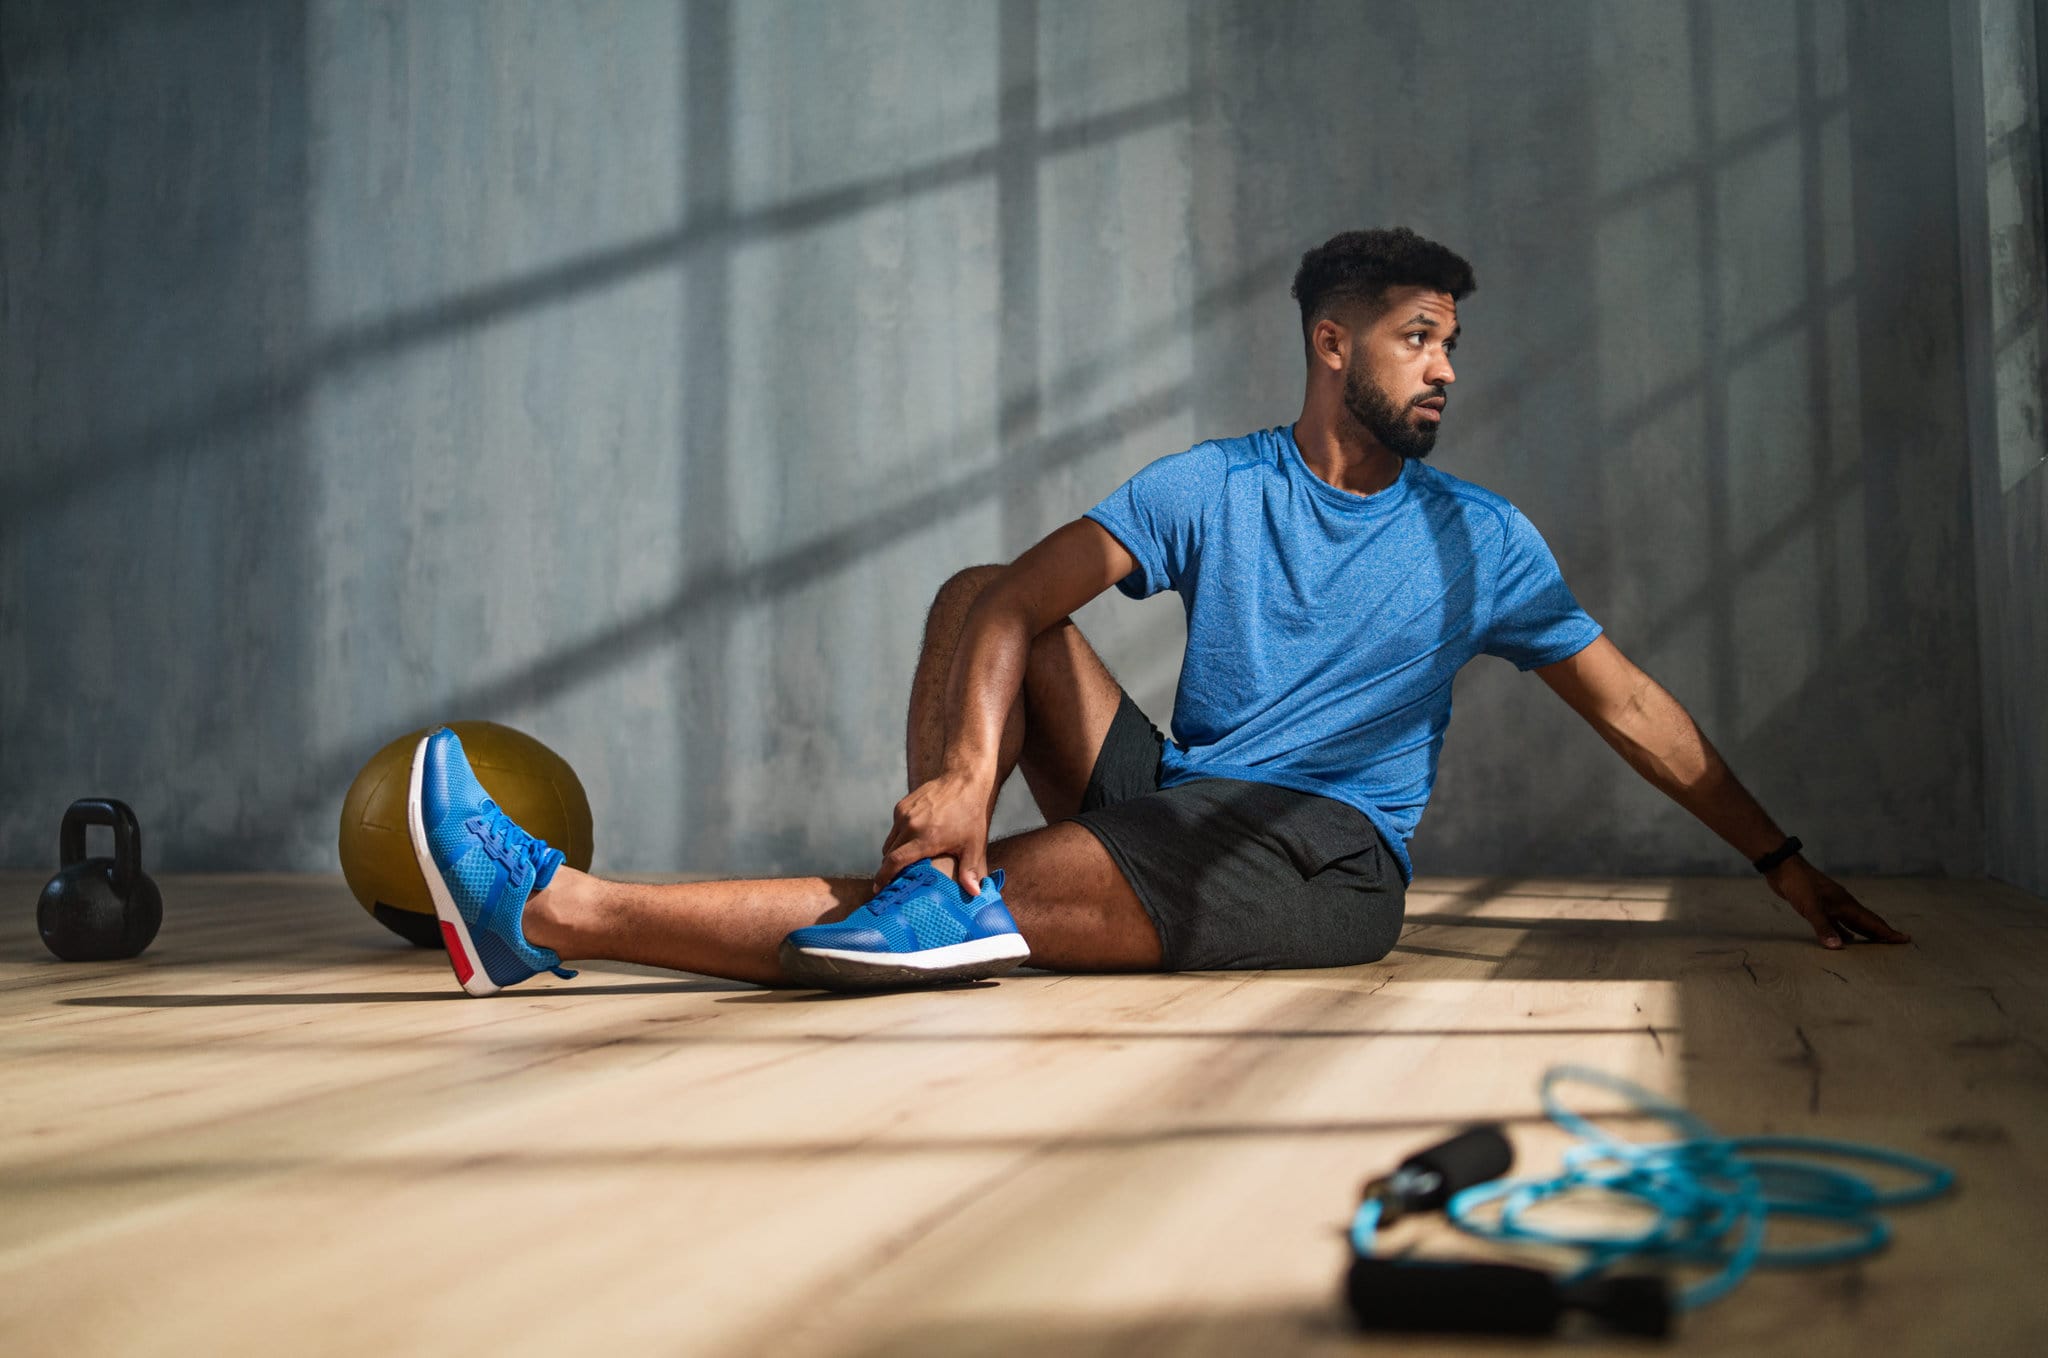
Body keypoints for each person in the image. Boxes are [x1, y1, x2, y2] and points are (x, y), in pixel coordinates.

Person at [407, 226, 1910, 998]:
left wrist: (1780, 859)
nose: (1446, 368)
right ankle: (951, 884)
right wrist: (956, 785)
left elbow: (1638, 708)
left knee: (993, 896)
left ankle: (550, 909)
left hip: (1320, 856)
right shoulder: (1219, 484)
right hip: (1189, 801)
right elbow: (1012, 606)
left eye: (1453, 342)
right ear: (1335, 347)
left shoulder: (1482, 541)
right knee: (972, 593)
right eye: (1417, 338)